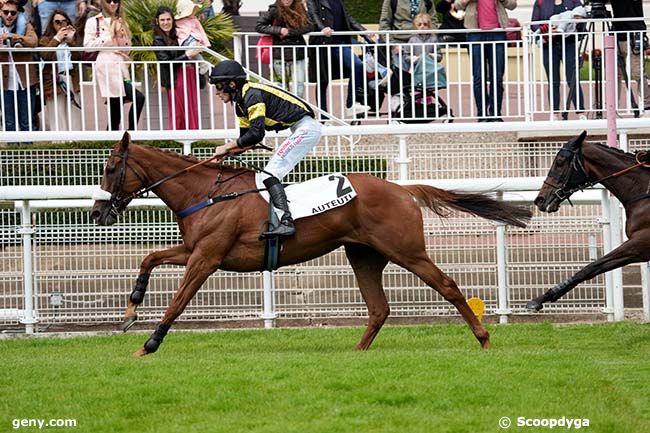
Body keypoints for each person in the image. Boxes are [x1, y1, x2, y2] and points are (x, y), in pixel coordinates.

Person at [210, 60, 322, 238]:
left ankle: (286, 222)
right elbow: (246, 141)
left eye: (218, 86)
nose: (217, 92)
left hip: (306, 128)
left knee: (269, 174)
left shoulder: (252, 95)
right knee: (266, 175)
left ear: (232, 84)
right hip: (300, 128)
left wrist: (225, 146)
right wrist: (227, 153)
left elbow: (256, 134)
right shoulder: (241, 105)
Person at [83, 0, 145, 131]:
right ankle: (129, 135)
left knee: (116, 110)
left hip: (121, 66)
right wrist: (110, 38)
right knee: (129, 101)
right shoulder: (94, 21)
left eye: (116, 1)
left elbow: (127, 49)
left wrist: (123, 38)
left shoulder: (122, 21)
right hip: (106, 66)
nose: (112, 4)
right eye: (108, 1)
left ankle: (120, 138)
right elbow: (87, 46)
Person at [454, 0, 517, 122]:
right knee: (478, 77)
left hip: (497, 32)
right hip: (475, 33)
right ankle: (482, 114)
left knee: (497, 76)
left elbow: (513, 5)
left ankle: (495, 114)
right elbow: (457, 5)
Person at [306, 0, 371, 118]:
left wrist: (364, 32)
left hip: (339, 43)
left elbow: (348, 17)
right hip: (322, 43)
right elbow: (313, 15)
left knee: (357, 65)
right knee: (323, 81)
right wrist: (322, 28)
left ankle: (351, 104)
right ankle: (324, 117)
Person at [531, 0, 586, 121]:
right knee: (553, 80)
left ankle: (581, 112)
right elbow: (534, 24)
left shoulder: (574, 1)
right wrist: (547, 30)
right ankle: (554, 113)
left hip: (569, 42)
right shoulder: (540, 2)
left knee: (572, 78)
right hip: (549, 44)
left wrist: (574, 23)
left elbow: (582, 18)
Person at [153, 6, 201, 130]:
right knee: (179, 112)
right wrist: (187, 55)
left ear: (173, 20)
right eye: (162, 20)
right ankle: (178, 142)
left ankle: (193, 140)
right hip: (176, 78)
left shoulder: (179, 35)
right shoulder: (158, 40)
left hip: (189, 75)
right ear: (157, 21)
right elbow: (166, 63)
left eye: (168, 19)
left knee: (191, 109)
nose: (165, 23)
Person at [255, 0, 313, 99]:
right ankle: (284, 112)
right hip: (279, 53)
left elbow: (310, 26)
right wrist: (279, 30)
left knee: (299, 87)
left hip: (298, 53)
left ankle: (297, 110)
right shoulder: (274, 9)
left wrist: (290, 32)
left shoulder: (300, 9)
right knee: (280, 88)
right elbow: (259, 26)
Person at [39, 9, 83, 131]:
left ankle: (76, 143)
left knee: (74, 113)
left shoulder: (73, 38)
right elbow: (45, 55)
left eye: (64, 21)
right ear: (52, 24)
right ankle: (59, 144)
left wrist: (71, 42)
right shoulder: (45, 39)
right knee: (57, 114)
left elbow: (79, 57)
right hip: (53, 81)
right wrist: (57, 39)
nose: (61, 25)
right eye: (57, 22)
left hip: (70, 78)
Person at [0, 0, 39, 132]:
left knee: (26, 121)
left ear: (18, 13)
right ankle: (12, 152)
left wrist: (12, 37)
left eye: (12, 13)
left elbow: (33, 41)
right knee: (8, 122)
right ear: (1, 12)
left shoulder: (25, 26)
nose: (9, 15)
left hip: (25, 80)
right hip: (4, 82)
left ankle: (27, 152)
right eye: (6, 12)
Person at [610, 0, 650, 116]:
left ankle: (648, 106)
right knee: (615, 74)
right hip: (617, 33)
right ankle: (613, 108)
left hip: (634, 33)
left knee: (638, 73)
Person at [174, 0, 210, 75]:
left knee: (194, 50)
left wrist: (205, 42)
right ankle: (199, 64)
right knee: (189, 53)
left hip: (193, 39)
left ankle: (202, 63)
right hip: (183, 41)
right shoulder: (177, 21)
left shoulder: (194, 20)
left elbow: (201, 30)